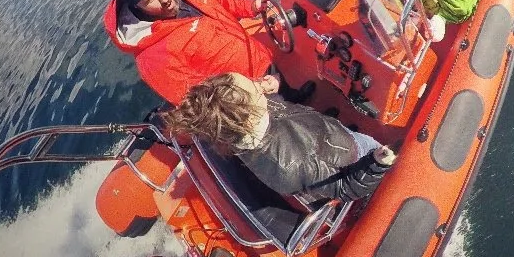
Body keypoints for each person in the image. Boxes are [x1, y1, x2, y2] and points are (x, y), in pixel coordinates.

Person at [102, 0, 313, 106]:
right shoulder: (151, 58)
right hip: (244, 101)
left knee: (286, 93)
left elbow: (222, 2)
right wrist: (256, 89)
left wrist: (252, 6)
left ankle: (296, 100)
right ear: (136, 5)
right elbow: (197, 101)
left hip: (257, 59)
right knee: (282, 125)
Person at [162, 72, 396, 204]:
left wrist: (274, 87)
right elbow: (345, 186)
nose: (258, 84)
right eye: (254, 87)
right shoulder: (289, 166)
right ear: (247, 117)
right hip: (352, 159)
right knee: (379, 157)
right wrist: (375, 165)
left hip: (329, 135)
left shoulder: (250, 121)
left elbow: (279, 108)